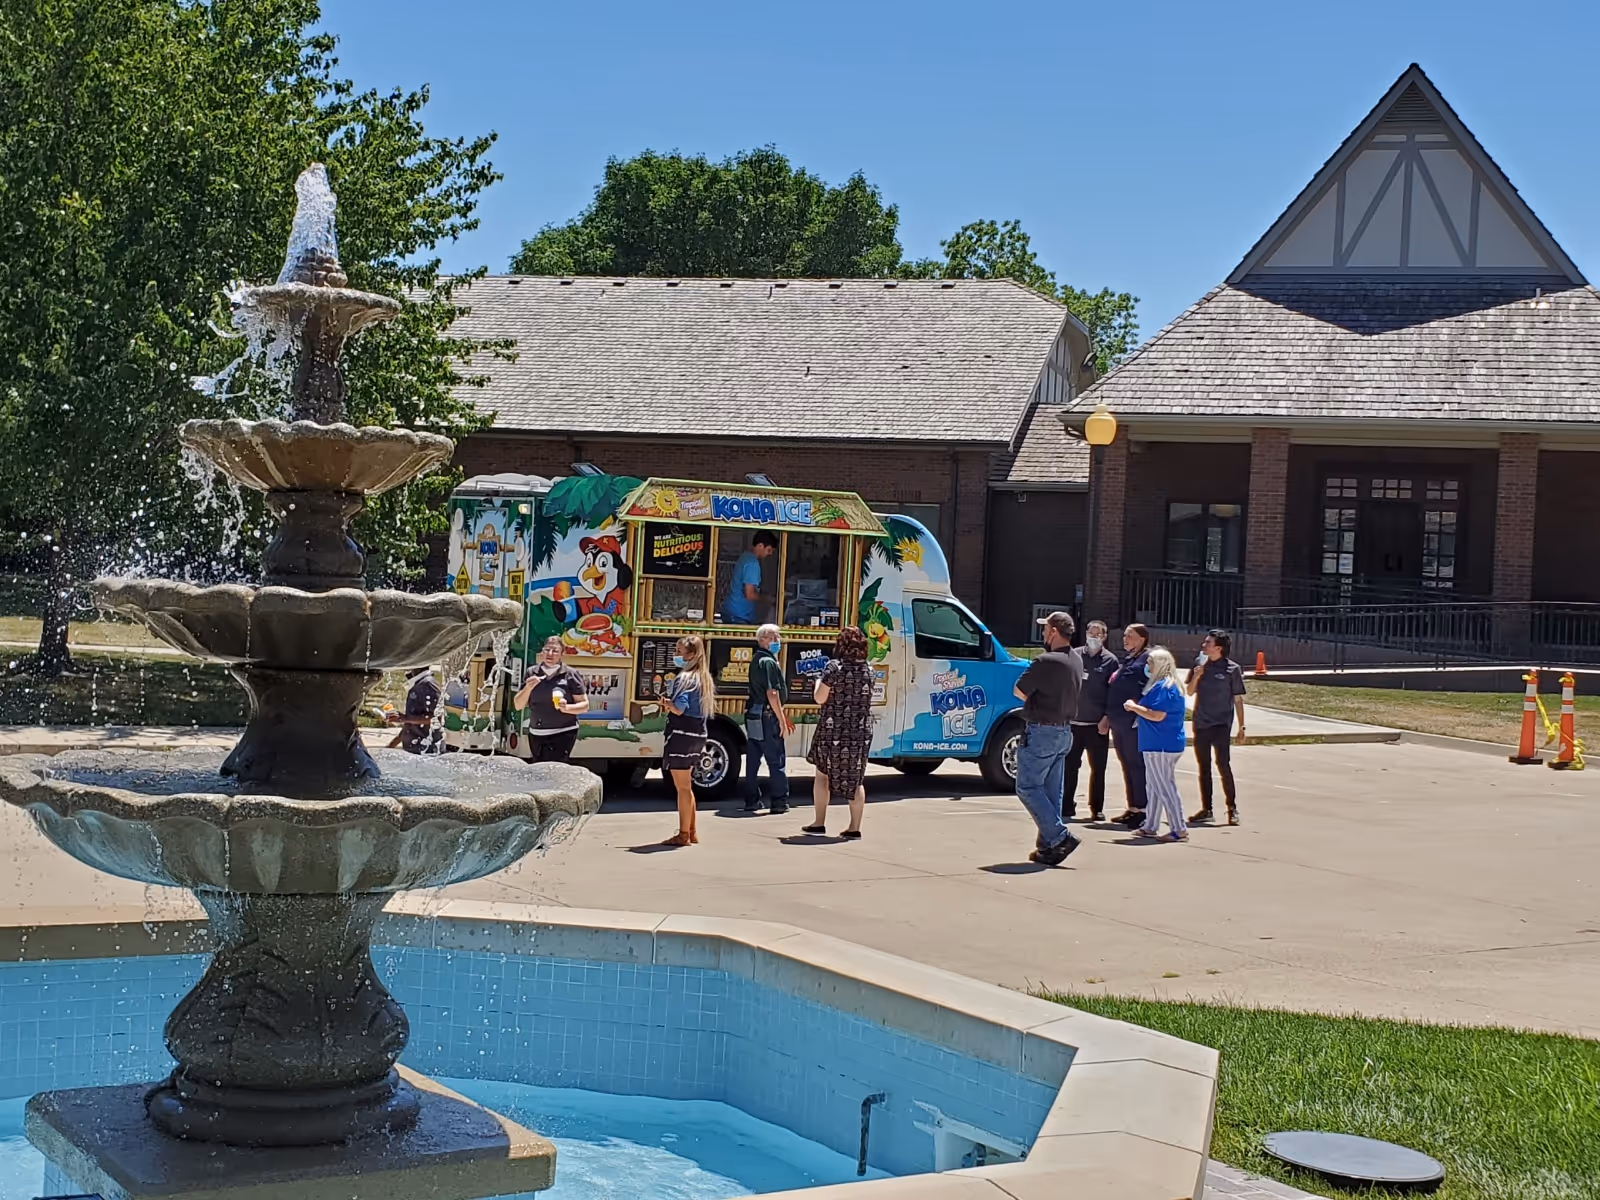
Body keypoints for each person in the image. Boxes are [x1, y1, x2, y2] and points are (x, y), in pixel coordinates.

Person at [1011, 611, 1083, 866]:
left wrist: (1034, 698)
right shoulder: (1076, 659)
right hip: (1064, 730)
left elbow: (1019, 691)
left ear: (1054, 631)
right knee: (1052, 792)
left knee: (1028, 787)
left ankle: (1059, 836)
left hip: (1042, 730)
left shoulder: (1046, 661)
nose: (1043, 633)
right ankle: (1048, 846)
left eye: (1045, 629)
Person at [802, 626, 875, 839]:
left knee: (822, 774)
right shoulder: (868, 670)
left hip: (832, 730)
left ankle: (819, 822)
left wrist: (818, 682)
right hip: (859, 732)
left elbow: (820, 698)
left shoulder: (834, 667)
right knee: (856, 778)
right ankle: (854, 827)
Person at [1123, 647, 1189, 842]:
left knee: (1165, 786)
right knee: (1153, 785)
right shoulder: (1159, 685)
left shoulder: (1166, 687)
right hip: (1153, 742)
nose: (1147, 666)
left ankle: (1179, 828)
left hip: (1162, 744)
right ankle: (1151, 825)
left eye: (1150, 663)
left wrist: (1135, 707)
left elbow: (1158, 715)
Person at [1187, 629, 1247, 825]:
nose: (1204, 645)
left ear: (1218, 648)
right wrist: (1197, 676)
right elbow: (1189, 692)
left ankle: (1232, 808)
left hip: (1221, 724)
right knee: (1203, 767)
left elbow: (1238, 699)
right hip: (1201, 723)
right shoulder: (1199, 664)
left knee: (1223, 764)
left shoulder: (1232, 669)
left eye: (1208, 643)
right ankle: (1207, 809)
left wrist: (1241, 726)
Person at [660, 635, 715, 846]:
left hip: (681, 734)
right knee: (687, 785)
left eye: (679, 651)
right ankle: (691, 831)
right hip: (698, 734)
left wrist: (667, 703)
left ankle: (683, 834)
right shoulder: (703, 678)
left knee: (682, 787)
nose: (675, 655)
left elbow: (680, 709)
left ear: (691, 655)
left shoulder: (684, 678)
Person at [1064, 619, 1118, 821]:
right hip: (1073, 723)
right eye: (1091, 633)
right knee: (1069, 767)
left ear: (1104, 637)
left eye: (1098, 634)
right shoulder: (1075, 655)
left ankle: (1097, 808)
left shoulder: (1110, 661)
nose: (1094, 637)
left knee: (1098, 768)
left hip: (1097, 725)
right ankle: (1066, 805)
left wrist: (1107, 718)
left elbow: (1114, 693)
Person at [511, 637, 591, 763]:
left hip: (563, 732)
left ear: (561, 654)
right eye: (547, 650)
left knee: (554, 770)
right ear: (542, 652)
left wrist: (567, 708)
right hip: (536, 732)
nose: (550, 654)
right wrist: (528, 688)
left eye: (555, 651)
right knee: (538, 770)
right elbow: (518, 705)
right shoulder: (532, 672)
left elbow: (584, 706)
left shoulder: (570, 674)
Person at [1105, 623, 1152, 827]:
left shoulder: (1148, 659)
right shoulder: (1130, 658)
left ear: (1142, 638)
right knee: (1126, 763)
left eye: (1130, 636)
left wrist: (1140, 712)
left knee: (1137, 764)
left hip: (1132, 720)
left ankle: (1143, 809)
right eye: (1124, 635)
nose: (1125, 639)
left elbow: (1150, 688)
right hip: (1118, 719)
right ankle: (1132, 807)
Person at [743, 623, 793, 813]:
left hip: (754, 713)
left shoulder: (757, 659)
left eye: (778, 637)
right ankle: (779, 801)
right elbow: (772, 693)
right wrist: (781, 719)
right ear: (761, 640)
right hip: (767, 715)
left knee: (753, 758)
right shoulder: (769, 662)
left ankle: (751, 800)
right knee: (776, 760)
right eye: (772, 637)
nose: (777, 641)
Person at [723, 531, 778, 625]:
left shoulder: (745, 557)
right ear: (760, 546)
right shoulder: (752, 564)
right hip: (738, 615)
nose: (770, 554)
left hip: (731, 611)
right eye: (769, 550)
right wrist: (768, 599)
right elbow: (749, 594)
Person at [388, 665, 443, 754]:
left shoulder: (428, 684)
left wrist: (404, 718)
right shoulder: (419, 684)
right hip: (414, 751)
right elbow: (410, 725)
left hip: (426, 751)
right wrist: (390, 746)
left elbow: (437, 718)